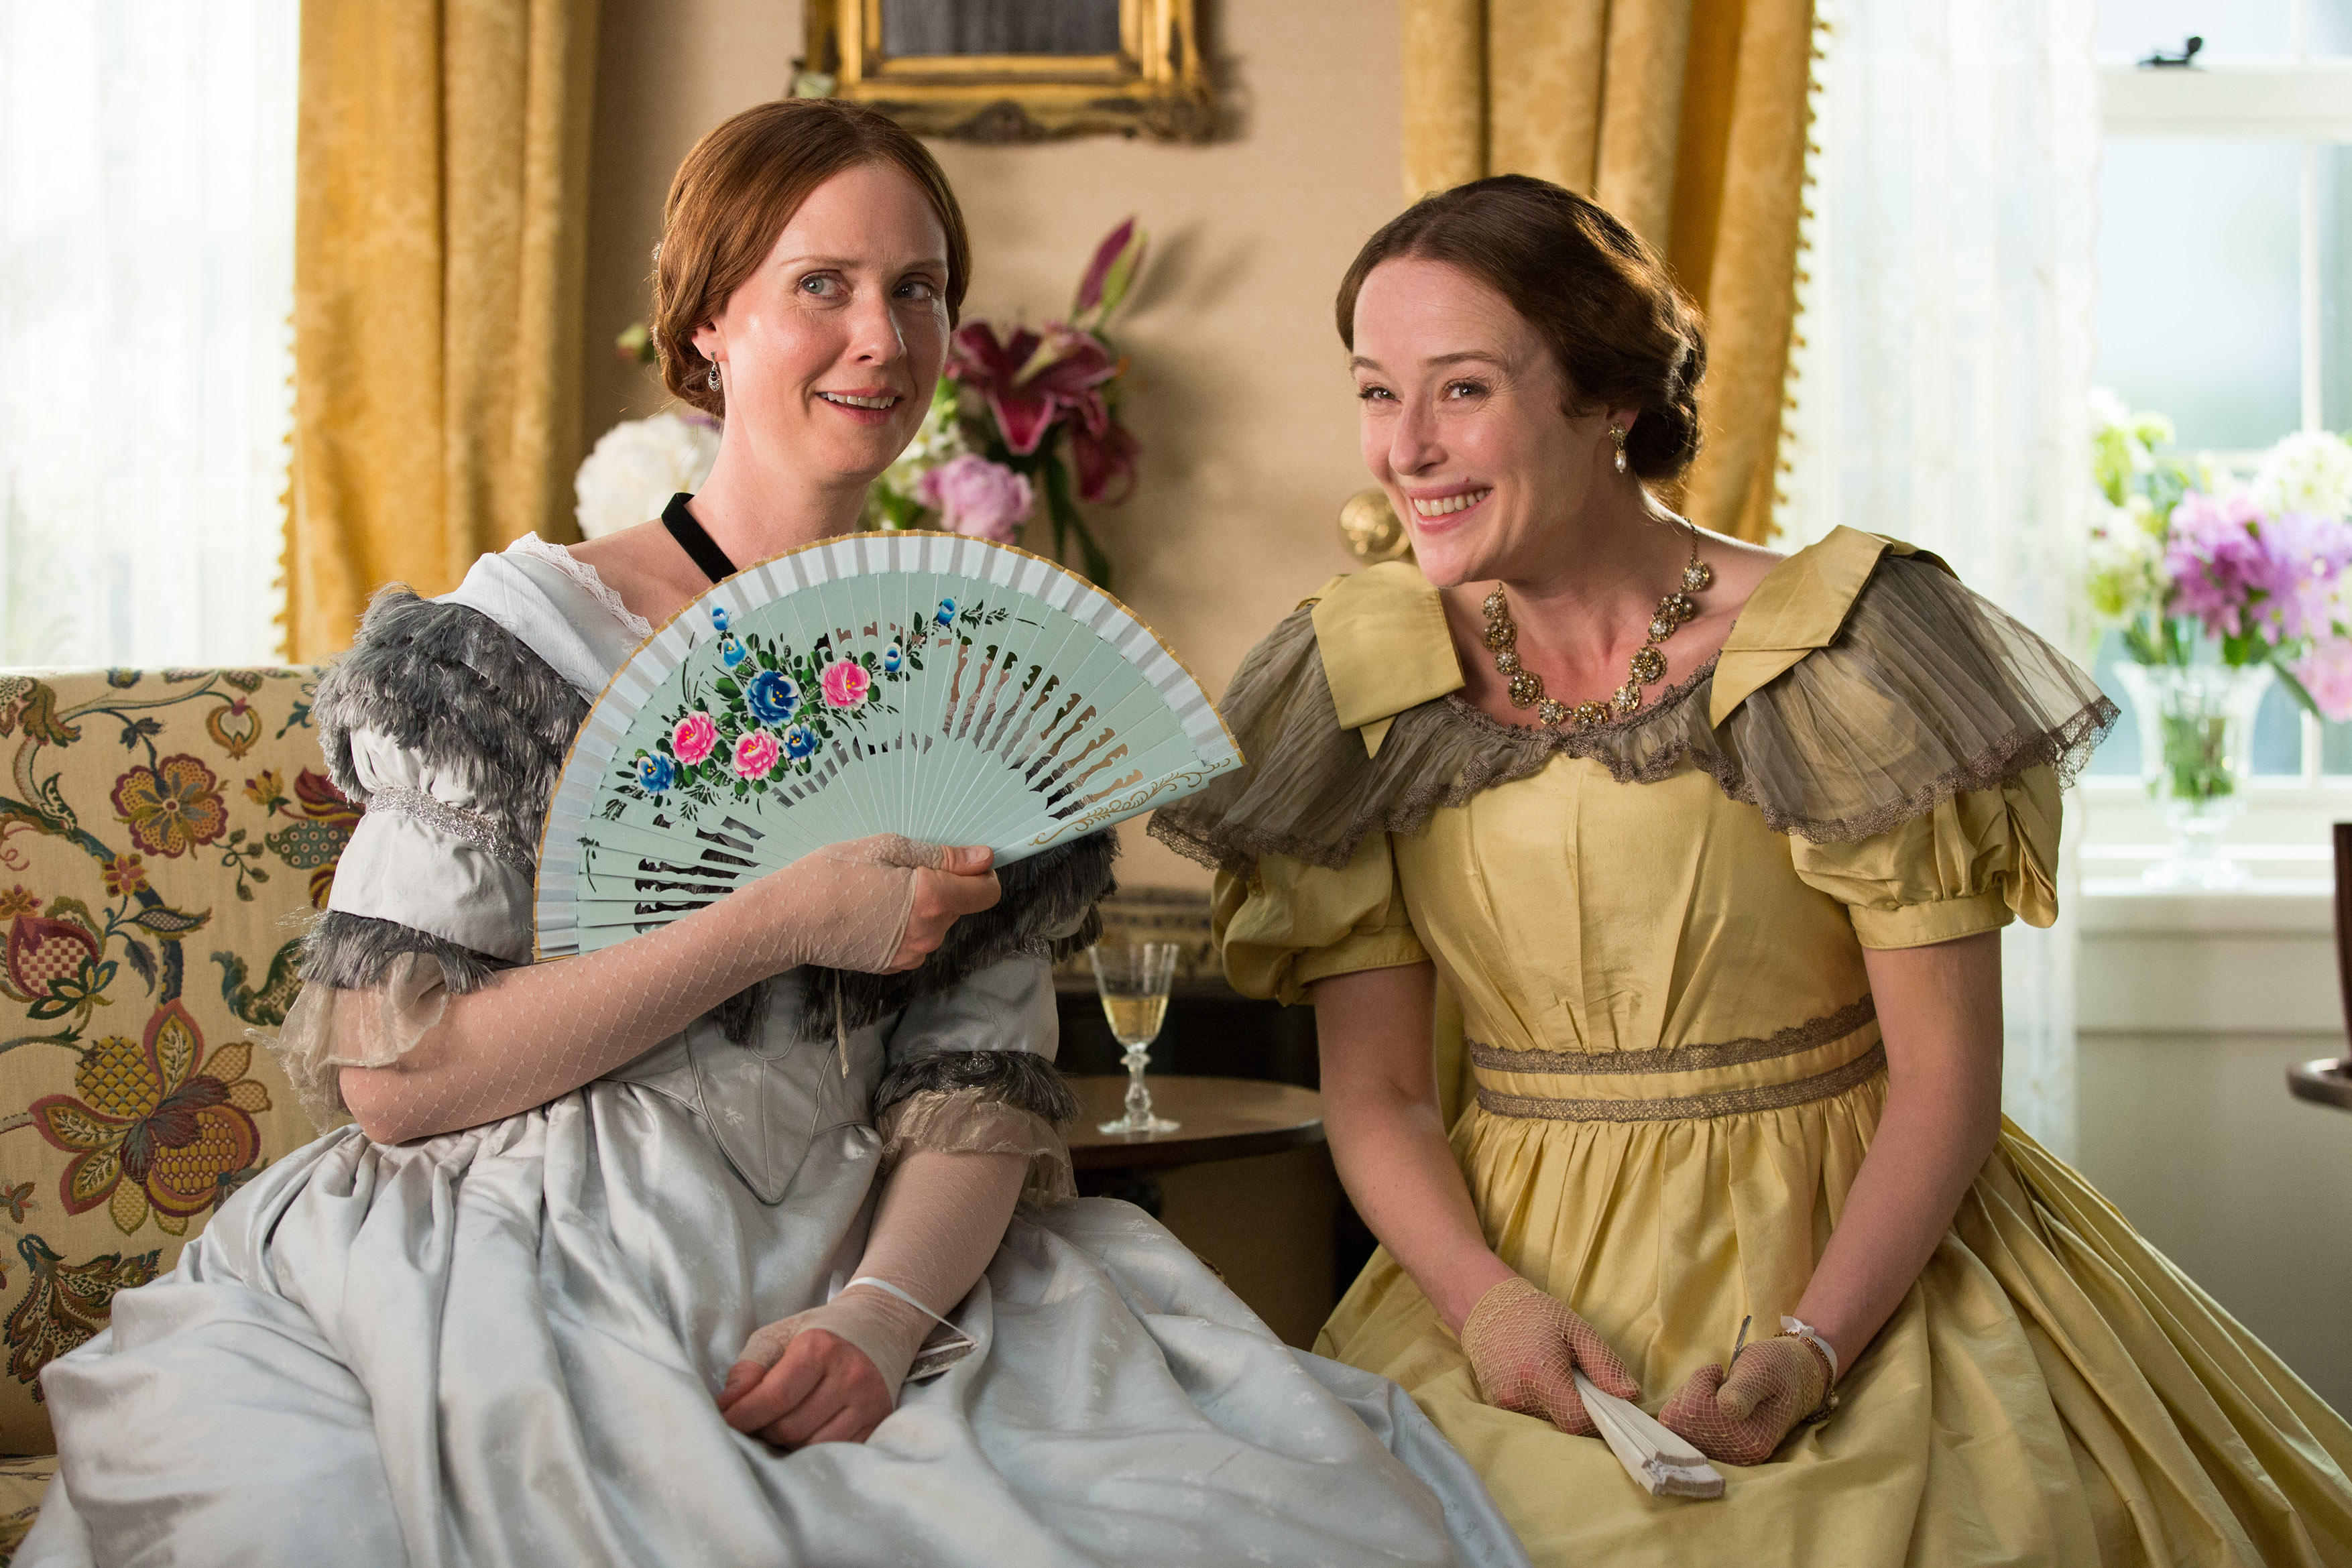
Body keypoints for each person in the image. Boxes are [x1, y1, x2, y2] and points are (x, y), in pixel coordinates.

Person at [17, 101, 1527, 1568]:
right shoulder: (515, 650)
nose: (881, 335)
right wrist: (774, 922)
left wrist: (881, 1317)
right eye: (822, 285)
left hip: (875, 1237)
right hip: (522, 1239)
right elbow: (396, 1084)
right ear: (709, 326)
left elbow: (973, 1091)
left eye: (916, 288)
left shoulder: (976, 687)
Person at [1153, 173, 2352, 1567]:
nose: (1405, 450)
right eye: (1375, 393)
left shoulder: (1840, 644)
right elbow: (1379, 1094)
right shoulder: (1359, 674)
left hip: (1859, 1270)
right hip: (1500, 1288)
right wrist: (1484, 1304)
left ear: (1608, 400)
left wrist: (1813, 1346)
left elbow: (1946, 1074)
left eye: (1461, 390)